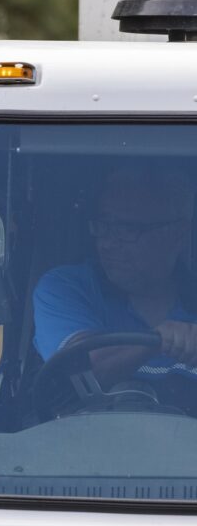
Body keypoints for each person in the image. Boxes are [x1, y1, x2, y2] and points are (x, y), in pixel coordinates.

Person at [33, 166, 197, 406]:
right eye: (103, 226)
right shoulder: (64, 288)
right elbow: (85, 367)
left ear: (178, 233)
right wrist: (158, 340)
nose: (107, 244)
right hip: (76, 443)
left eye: (127, 229)